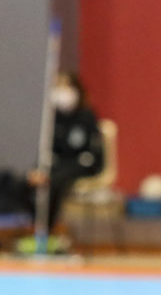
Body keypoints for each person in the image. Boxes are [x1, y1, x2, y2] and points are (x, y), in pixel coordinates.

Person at [0, 72, 105, 247]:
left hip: (79, 165)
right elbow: (49, 151)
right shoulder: (53, 118)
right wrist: (36, 171)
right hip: (56, 165)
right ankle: (36, 224)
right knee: (25, 180)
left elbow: (94, 155)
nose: (62, 91)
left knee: (53, 182)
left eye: (66, 86)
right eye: (58, 86)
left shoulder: (87, 116)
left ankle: (45, 233)